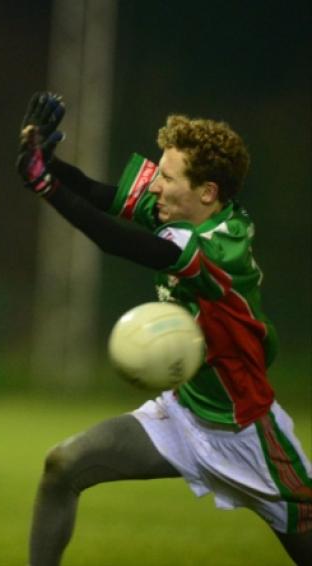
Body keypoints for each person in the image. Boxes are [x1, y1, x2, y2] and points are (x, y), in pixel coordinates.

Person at [17, 92, 312, 565]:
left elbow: (117, 241)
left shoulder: (219, 247)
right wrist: (45, 161)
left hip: (246, 434)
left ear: (207, 192)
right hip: (182, 415)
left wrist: (45, 187)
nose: (154, 186)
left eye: (166, 178)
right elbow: (99, 195)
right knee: (63, 465)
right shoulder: (183, 210)